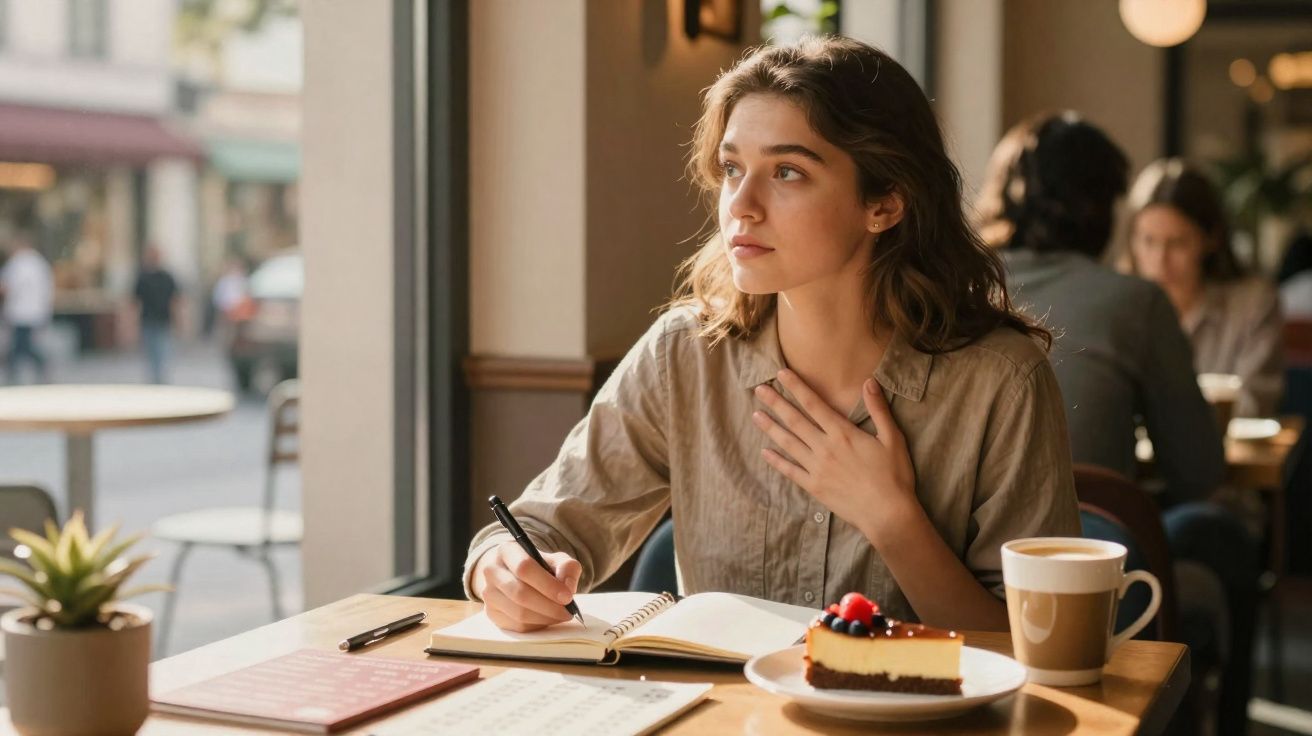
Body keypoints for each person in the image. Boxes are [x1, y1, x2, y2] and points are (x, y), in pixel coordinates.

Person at [465, 37, 1080, 635]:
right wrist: (504, 571)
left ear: (886, 203)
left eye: (787, 171)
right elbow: (538, 528)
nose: (741, 205)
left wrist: (891, 518)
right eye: (733, 168)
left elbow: (1030, 648)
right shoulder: (684, 354)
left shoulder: (1004, 380)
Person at [976, 113, 1255, 735]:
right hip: (1085, 573)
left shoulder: (953, 287)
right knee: (1222, 534)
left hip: (952, 561)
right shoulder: (1135, 301)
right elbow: (1198, 472)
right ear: (1104, 207)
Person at [1125, 158, 1285, 417]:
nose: (1160, 260)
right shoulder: (1119, 305)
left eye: (1177, 243)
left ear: (1211, 238)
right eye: (1148, 241)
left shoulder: (1252, 304)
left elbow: (1252, 405)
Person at [0, 233, 53, 384]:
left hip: (20, 311)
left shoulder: (17, 263)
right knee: (22, 344)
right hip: (36, 310)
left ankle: (14, 374)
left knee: (21, 345)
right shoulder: (40, 263)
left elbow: (7, 286)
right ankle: (17, 373)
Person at [133, 246, 179, 385]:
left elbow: (175, 300)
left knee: (162, 351)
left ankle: (159, 379)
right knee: (151, 352)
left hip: (163, 320)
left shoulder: (167, 277)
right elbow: (135, 302)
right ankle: (154, 379)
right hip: (147, 320)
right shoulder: (142, 277)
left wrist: (178, 319)